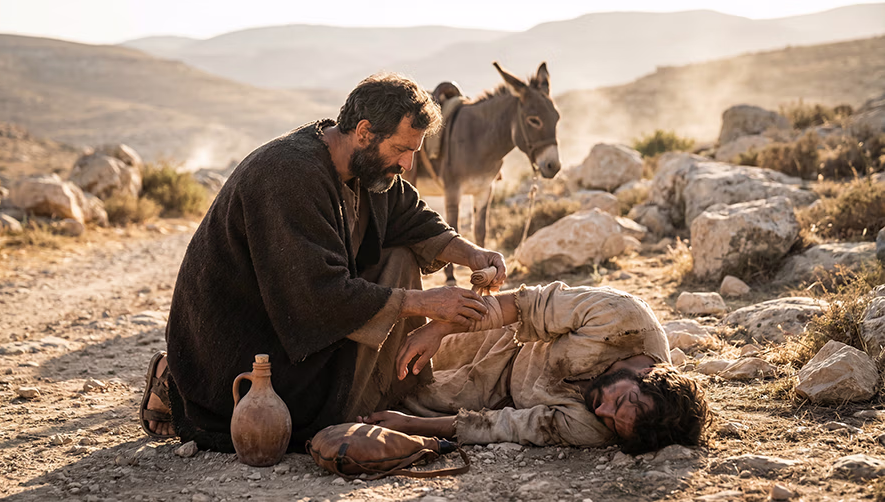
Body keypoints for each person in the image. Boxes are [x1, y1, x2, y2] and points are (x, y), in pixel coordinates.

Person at [139, 73, 508, 451]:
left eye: (414, 151)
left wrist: (473, 254)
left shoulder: (369, 168)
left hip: (299, 326)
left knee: (399, 255)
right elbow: (317, 295)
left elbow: (414, 220)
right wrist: (427, 303)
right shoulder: (288, 174)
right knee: (314, 430)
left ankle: (383, 395)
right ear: (364, 132)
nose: (408, 164)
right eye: (402, 149)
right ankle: (175, 383)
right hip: (246, 349)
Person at [361, 282, 709, 454]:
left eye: (612, 422)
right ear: (648, 374)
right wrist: (440, 327)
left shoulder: (598, 429)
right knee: (396, 335)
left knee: (378, 398)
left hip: (490, 392)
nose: (601, 410)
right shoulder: (621, 316)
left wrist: (414, 425)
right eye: (618, 402)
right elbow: (525, 305)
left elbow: (506, 424)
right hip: (500, 335)